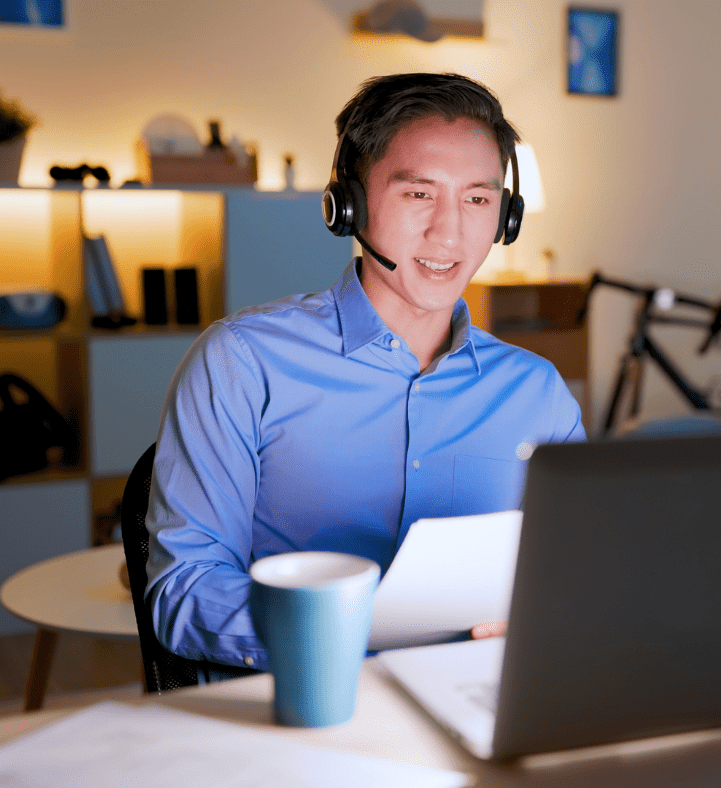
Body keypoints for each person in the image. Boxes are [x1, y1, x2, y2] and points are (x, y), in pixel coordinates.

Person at [145, 73, 585, 675]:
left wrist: (547, 619)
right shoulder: (242, 364)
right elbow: (184, 591)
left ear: (506, 217)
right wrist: (345, 630)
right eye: (418, 195)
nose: (449, 232)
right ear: (346, 205)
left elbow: (569, 580)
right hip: (299, 718)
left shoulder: (538, 394)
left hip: (478, 711)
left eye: (478, 199)